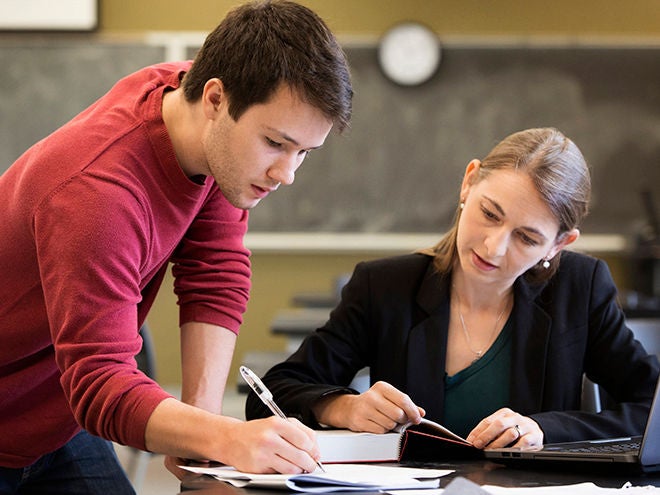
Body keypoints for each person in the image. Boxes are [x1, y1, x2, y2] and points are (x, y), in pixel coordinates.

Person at [0, 0, 352, 493]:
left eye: (304, 153)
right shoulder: (96, 196)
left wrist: (202, 437)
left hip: (50, 421)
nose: (286, 174)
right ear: (215, 100)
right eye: (275, 143)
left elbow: (215, 271)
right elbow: (99, 383)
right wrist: (224, 437)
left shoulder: (196, 116)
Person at [246, 127, 659, 453]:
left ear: (558, 245)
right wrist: (342, 407)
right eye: (489, 213)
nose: (493, 247)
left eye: (527, 239)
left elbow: (652, 406)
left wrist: (546, 429)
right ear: (468, 184)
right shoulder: (386, 287)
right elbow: (270, 394)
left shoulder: (580, 289)